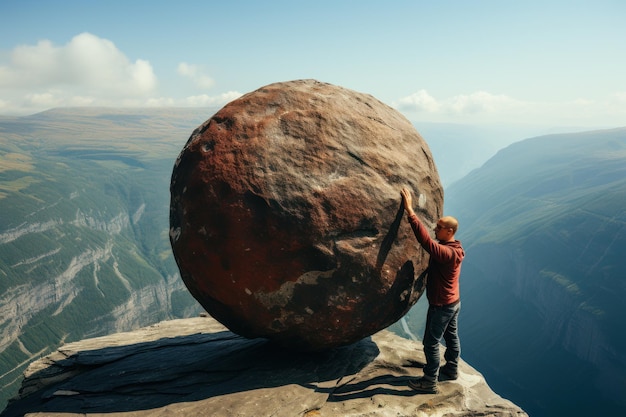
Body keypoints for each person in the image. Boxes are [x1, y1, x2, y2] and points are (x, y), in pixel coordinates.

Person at [400, 187, 465, 394]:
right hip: (454, 302)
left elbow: (426, 242)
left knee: (431, 343)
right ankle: (452, 369)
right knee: (452, 337)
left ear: (450, 232)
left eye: (439, 227)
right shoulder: (456, 247)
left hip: (442, 306)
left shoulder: (446, 253)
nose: (435, 230)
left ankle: (429, 382)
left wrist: (410, 211)